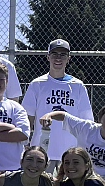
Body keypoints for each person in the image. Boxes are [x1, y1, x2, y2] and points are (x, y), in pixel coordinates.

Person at [21, 39, 93, 173]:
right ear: (48, 57)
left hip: (70, 151)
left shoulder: (78, 86)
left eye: (63, 55)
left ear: (68, 58)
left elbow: (86, 121)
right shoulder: (37, 84)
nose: (58, 58)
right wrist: (25, 144)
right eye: (54, 54)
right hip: (42, 150)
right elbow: (27, 118)